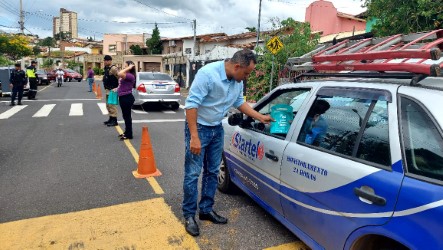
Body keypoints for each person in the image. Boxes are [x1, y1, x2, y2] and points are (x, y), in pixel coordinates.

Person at [182, 49, 273, 237]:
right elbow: (191, 105)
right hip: (198, 128)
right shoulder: (207, 74)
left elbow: (240, 103)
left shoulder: (237, 81)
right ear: (237, 66)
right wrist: (194, 137)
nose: (246, 77)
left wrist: (260, 117)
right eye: (246, 73)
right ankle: (189, 214)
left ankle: (206, 210)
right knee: (193, 173)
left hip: (216, 128)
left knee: (213, 171)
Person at [114, 61, 136, 140]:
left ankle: (129, 134)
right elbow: (122, 85)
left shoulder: (130, 76)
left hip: (127, 97)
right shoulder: (127, 75)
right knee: (125, 116)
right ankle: (127, 132)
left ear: (130, 68)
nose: (124, 68)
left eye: (125, 66)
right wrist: (116, 89)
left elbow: (119, 73)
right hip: (123, 97)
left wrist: (129, 68)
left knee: (127, 116)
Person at [103, 55, 119, 127]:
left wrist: (118, 87)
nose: (105, 62)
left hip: (113, 89)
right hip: (108, 89)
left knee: (112, 105)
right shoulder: (107, 68)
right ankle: (110, 118)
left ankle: (114, 120)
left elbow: (119, 77)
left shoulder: (114, 68)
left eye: (106, 60)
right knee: (108, 105)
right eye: (104, 60)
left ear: (110, 61)